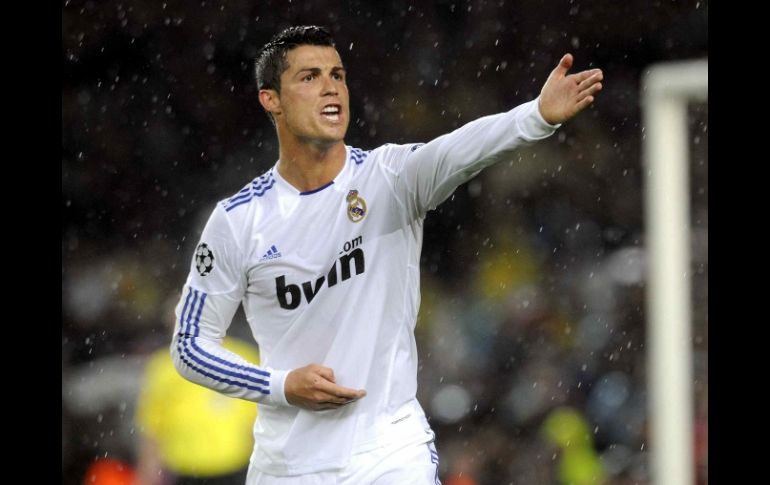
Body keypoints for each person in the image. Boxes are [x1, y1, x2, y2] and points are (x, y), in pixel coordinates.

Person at [170, 25, 603, 485]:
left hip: (389, 452)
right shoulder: (238, 219)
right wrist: (280, 386)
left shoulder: (389, 178)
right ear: (270, 99)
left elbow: (457, 151)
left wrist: (535, 116)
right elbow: (190, 344)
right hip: (287, 467)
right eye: (310, 77)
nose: (331, 88)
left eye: (338, 75)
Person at [135, 335, 260, 485]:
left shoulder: (244, 358)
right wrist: (148, 474)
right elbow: (152, 430)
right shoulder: (164, 365)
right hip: (185, 471)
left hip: (235, 467)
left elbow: (259, 423)